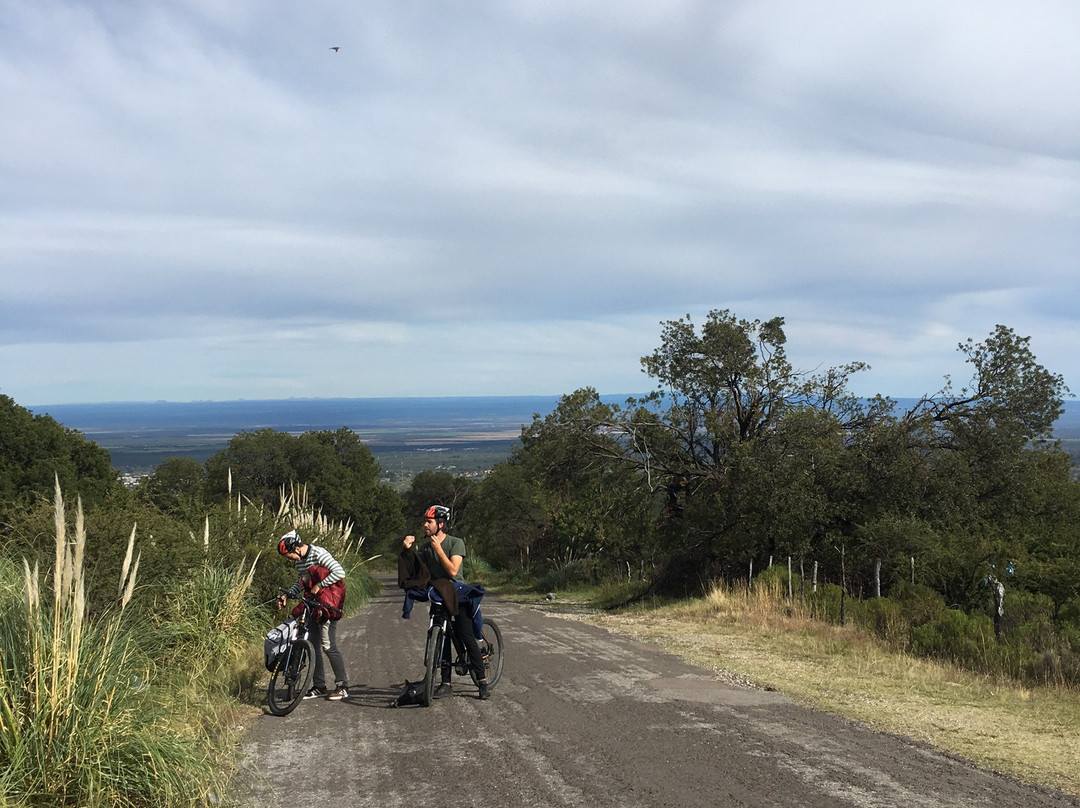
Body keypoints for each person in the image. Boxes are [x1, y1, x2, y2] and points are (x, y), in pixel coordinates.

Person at [402, 505, 490, 700]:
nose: (425, 525)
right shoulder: (425, 548)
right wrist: (407, 551)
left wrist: (439, 550)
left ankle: (482, 681)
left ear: (440, 524)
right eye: (425, 521)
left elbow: (452, 571)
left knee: (466, 635)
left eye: (429, 522)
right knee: (442, 639)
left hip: (457, 594)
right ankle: (446, 683)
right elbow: (416, 572)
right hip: (438, 594)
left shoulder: (455, 543)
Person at [276, 529, 349, 701]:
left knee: (328, 645)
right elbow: (301, 581)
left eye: (289, 556)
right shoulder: (300, 561)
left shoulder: (318, 553)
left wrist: (320, 585)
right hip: (313, 605)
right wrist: (287, 595)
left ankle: (342, 685)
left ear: (296, 549)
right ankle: (319, 686)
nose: (289, 560)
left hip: (328, 604)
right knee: (313, 646)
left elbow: (339, 572)